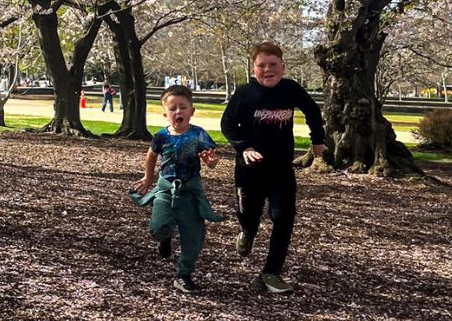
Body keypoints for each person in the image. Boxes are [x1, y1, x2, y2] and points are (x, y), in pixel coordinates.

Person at [220, 41, 326, 295]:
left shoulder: (291, 89)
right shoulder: (245, 93)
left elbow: (312, 111)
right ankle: (248, 231)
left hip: (281, 168)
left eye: (273, 65)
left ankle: (271, 272)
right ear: (253, 69)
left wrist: (317, 140)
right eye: (262, 65)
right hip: (249, 169)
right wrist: (244, 147)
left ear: (282, 67)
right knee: (248, 213)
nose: (268, 70)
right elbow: (227, 124)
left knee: (283, 217)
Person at [130, 84, 224, 294]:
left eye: (183, 107)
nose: (178, 112)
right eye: (173, 108)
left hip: (190, 192)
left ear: (192, 111)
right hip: (165, 190)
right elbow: (151, 156)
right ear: (166, 114)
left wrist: (210, 162)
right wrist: (148, 178)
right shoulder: (161, 136)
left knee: (194, 237)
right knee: (158, 228)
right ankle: (164, 238)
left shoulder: (199, 134)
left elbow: (210, 158)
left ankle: (183, 275)